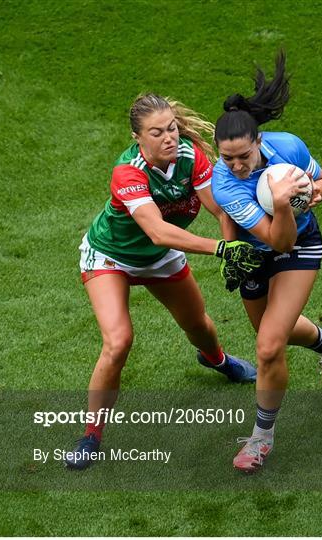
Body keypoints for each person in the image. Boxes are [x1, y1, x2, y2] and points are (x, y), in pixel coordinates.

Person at [65, 94, 263, 470]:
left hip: (160, 260)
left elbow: (218, 208)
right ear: (138, 138)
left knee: (198, 324)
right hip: (111, 256)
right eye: (157, 133)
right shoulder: (128, 171)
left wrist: (235, 245)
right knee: (118, 341)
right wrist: (221, 249)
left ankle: (217, 360)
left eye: (171, 128)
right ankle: (91, 434)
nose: (169, 137)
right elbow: (157, 231)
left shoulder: (191, 156)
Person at [211, 51, 322, 473]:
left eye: (243, 157)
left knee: (268, 346)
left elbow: (321, 182)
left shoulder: (287, 145)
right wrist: (284, 204)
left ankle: (260, 439)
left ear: (259, 143)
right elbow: (273, 237)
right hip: (258, 253)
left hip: (300, 249)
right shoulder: (224, 184)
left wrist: (312, 193)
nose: (235, 166)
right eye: (226, 158)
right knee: (276, 333)